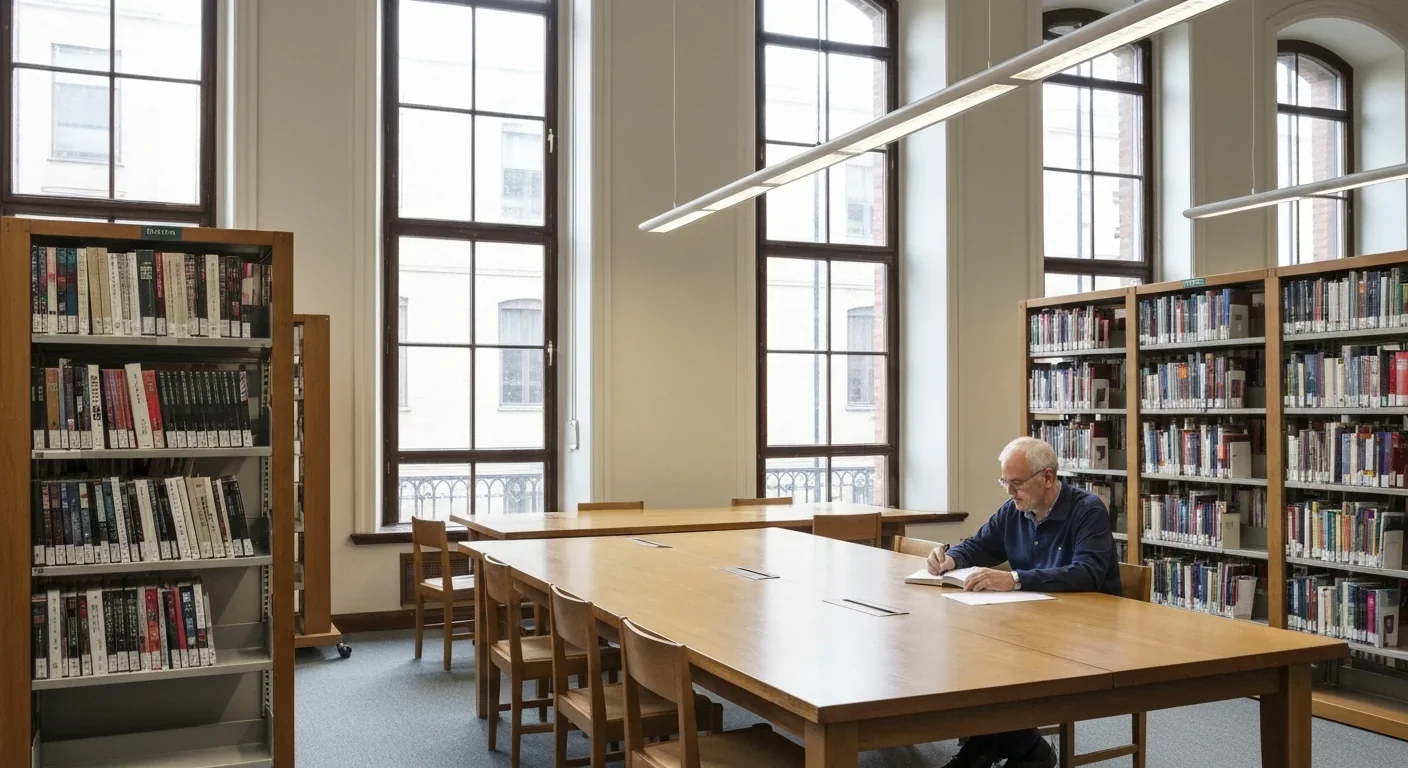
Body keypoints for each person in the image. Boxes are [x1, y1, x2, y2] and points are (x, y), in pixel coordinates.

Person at [931, 436, 1121, 768]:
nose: (1009, 491)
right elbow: (979, 544)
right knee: (976, 654)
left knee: (1001, 665)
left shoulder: (1087, 510)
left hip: (1085, 631)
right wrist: (950, 560)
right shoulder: (1015, 510)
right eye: (1005, 481)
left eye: (1016, 483)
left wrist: (1015, 579)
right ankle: (1017, 749)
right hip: (1035, 620)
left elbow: (1087, 573)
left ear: (1047, 478)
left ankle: (993, 750)